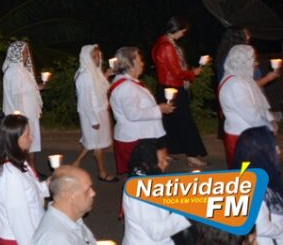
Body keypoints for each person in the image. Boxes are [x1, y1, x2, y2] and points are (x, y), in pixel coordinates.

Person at [121, 139, 191, 245]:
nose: (166, 163)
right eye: (162, 160)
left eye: (167, 159)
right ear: (148, 162)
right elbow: (157, 232)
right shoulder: (141, 191)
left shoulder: (147, 177)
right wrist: (188, 212)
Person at [0, 113, 50, 245]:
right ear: (13, 140)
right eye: (27, 135)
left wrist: (51, 184)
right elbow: (20, 222)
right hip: (20, 244)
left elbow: (33, 193)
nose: (31, 138)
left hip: (29, 237)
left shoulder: (20, 164)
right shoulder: (10, 176)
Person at [152, 17, 208, 168]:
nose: (183, 34)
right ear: (176, 30)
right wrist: (193, 73)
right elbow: (177, 72)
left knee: (169, 122)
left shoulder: (161, 42)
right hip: (173, 87)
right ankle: (192, 155)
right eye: (183, 31)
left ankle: (167, 151)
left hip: (165, 87)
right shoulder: (167, 46)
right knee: (185, 121)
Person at [233, 127, 283, 245]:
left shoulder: (246, 174)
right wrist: (281, 229)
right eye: (273, 146)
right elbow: (261, 227)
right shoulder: (256, 186)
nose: (278, 150)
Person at [109, 47, 173, 175]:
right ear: (130, 64)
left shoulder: (128, 82)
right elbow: (133, 114)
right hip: (136, 140)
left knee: (145, 177)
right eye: (139, 61)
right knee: (144, 178)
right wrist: (159, 109)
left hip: (141, 136)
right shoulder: (126, 87)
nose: (143, 64)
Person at [220, 45, 278, 167]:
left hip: (252, 133)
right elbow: (252, 115)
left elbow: (260, 104)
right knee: (245, 173)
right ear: (242, 61)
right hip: (241, 136)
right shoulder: (235, 84)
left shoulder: (244, 79)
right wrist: (269, 127)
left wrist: (271, 119)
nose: (256, 63)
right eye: (253, 60)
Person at [71, 44, 116, 182]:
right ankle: (102, 173)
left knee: (93, 142)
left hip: (99, 111)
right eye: (93, 57)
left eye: (98, 56)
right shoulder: (84, 75)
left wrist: (107, 74)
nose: (97, 59)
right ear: (86, 57)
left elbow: (99, 88)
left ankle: (75, 164)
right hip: (92, 113)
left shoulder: (93, 72)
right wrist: (93, 120)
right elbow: (85, 101)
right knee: (98, 144)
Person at [2, 40, 43, 168]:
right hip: (23, 115)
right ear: (16, 54)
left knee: (31, 144)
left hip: (30, 114)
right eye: (24, 53)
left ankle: (32, 169)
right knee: (22, 144)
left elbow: (27, 89)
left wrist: (38, 87)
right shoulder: (14, 72)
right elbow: (16, 98)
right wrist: (21, 119)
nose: (26, 55)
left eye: (26, 52)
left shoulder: (23, 71)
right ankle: (23, 169)